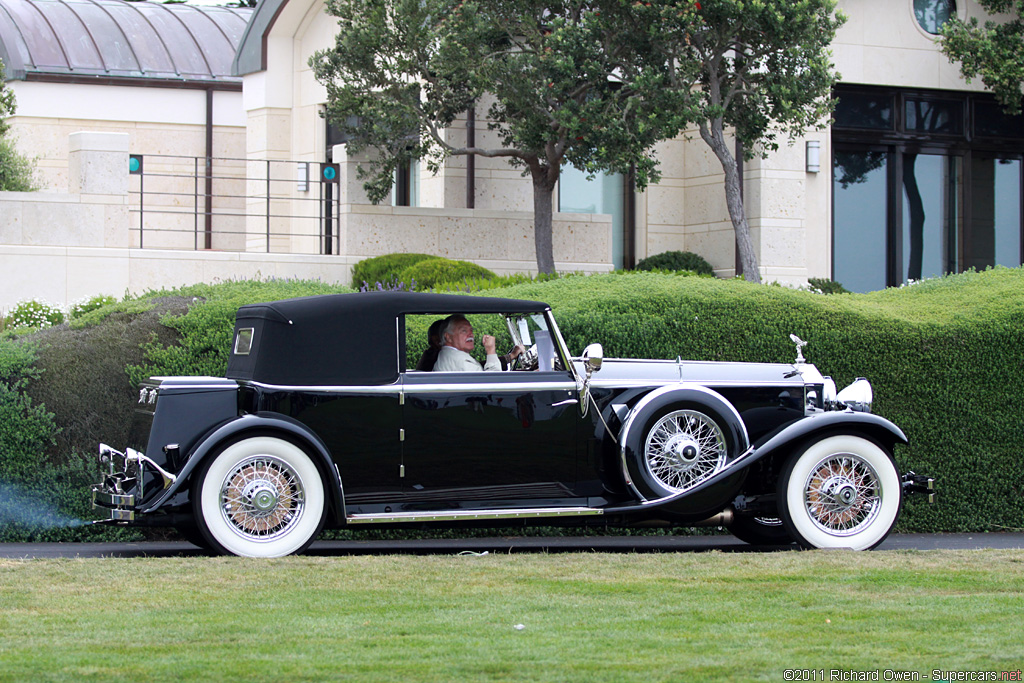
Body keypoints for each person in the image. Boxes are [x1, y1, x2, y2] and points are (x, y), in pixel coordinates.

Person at [433, 315, 523, 372]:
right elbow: (492, 383)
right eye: (463, 331)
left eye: (471, 330)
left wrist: (510, 356)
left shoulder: (446, 355)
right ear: (448, 337)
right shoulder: (461, 361)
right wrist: (491, 351)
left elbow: (478, 366)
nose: (470, 334)